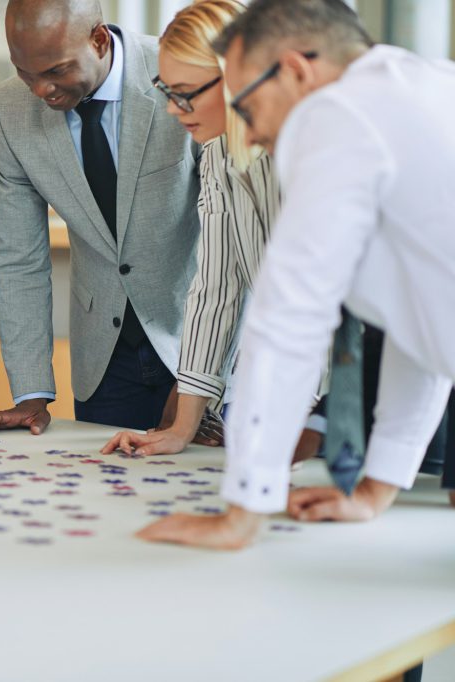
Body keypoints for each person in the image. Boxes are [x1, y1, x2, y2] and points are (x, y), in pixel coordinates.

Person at [138, 0, 455, 550]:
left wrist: (242, 510)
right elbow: (428, 324)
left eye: (248, 101)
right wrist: (374, 490)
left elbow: (288, 319)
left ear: (297, 70)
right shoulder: (421, 87)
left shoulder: (337, 118)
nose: (247, 123)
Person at [101, 0, 326, 461]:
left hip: (368, 382)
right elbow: (216, 288)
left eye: (185, 92)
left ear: (238, 75)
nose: (171, 109)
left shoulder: (309, 149)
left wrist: (309, 418)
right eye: (166, 90)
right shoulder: (220, 152)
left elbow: (321, 307)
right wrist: (182, 428)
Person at [0, 0, 201, 437]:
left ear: (98, 40)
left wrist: (199, 380)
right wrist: (31, 394)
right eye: (25, 72)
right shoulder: (12, 110)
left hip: (196, 337)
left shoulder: (179, 74)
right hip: (104, 362)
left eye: (55, 71)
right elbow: (19, 259)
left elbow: (233, 238)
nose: (40, 90)